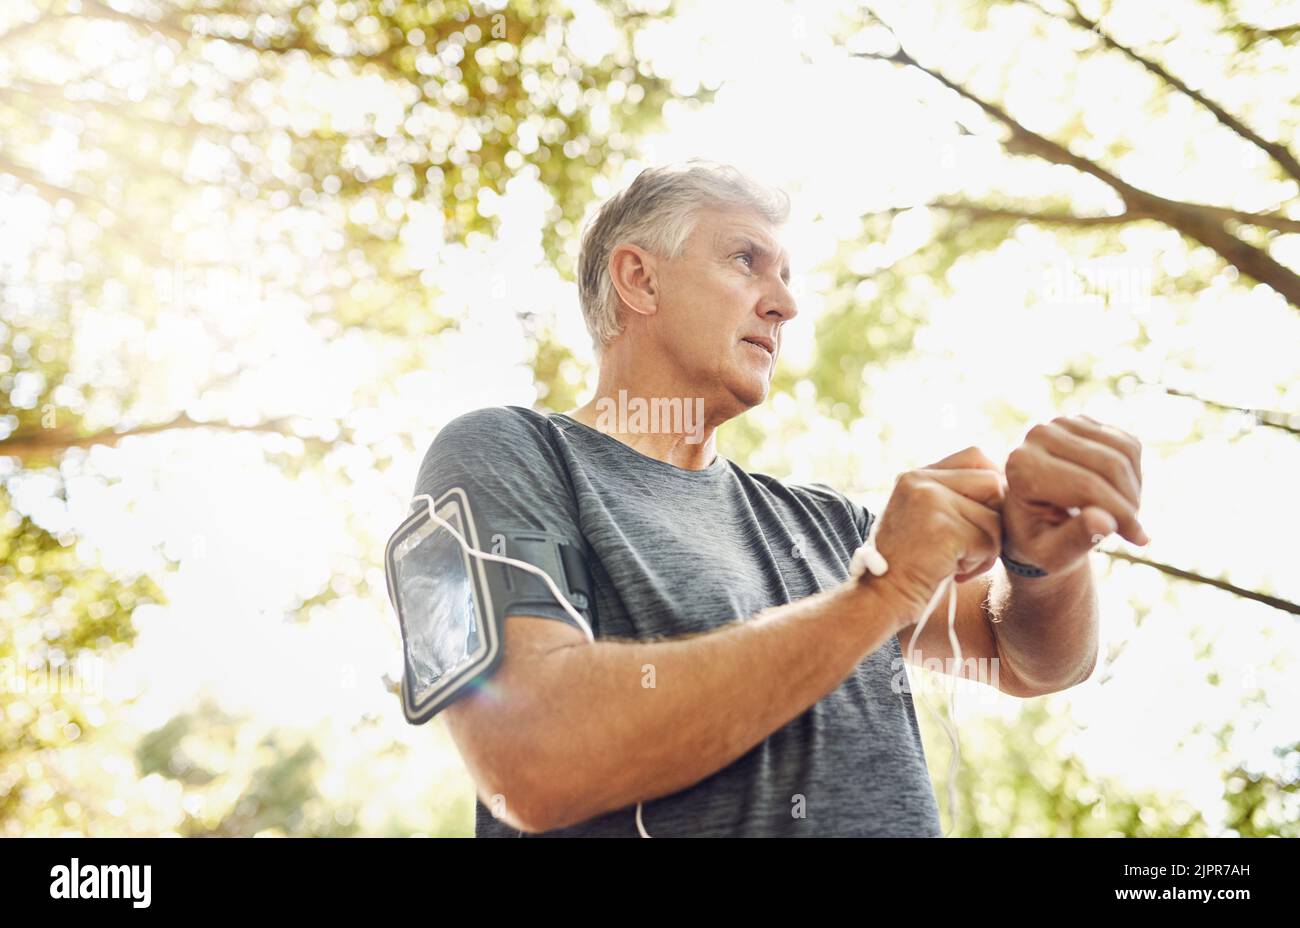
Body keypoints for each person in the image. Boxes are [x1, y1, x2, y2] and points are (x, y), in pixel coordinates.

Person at [409, 159, 1147, 837]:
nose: (787, 304)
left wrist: (1044, 559)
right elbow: (531, 764)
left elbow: (1035, 664)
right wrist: (878, 595)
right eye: (745, 261)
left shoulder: (834, 528)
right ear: (638, 279)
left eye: (789, 275)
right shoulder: (504, 456)